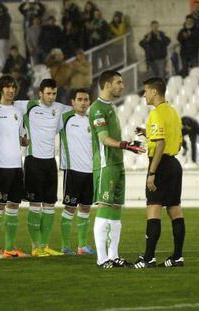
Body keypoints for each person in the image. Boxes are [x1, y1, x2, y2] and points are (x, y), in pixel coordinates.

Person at [88, 70, 145, 269]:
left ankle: (113, 256)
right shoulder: (96, 109)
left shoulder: (110, 107)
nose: (122, 86)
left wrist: (128, 144)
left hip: (117, 164)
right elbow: (103, 139)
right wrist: (126, 145)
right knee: (104, 208)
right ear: (107, 84)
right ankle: (102, 259)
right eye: (118, 82)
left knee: (115, 209)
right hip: (106, 165)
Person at [131, 77, 184, 269]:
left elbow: (160, 143)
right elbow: (175, 141)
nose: (144, 94)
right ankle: (177, 257)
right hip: (174, 164)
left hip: (159, 165)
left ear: (154, 92)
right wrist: (147, 133)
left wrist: (152, 172)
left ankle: (148, 258)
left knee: (153, 208)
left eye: (146, 91)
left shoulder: (156, 114)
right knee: (175, 209)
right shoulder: (173, 112)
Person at [14, 79, 71, 257]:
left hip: (50, 162)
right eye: (48, 93)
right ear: (40, 93)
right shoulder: (27, 106)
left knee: (49, 204)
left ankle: (45, 245)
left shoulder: (60, 108)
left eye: (54, 93)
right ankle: (35, 246)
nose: (51, 97)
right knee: (35, 205)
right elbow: (4, 106)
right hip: (32, 160)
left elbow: (80, 108)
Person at [0, 75, 29, 259]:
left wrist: (24, 139)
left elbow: (22, 137)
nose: (10, 90)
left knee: (14, 205)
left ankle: (9, 248)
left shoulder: (18, 112)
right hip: (0, 165)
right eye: (6, 87)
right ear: (0, 89)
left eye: (13, 87)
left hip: (16, 165)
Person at [59, 88, 95, 255]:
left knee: (86, 207)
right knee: (69, 208)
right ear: (72, 102)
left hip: (90, 171)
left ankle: (82, 246)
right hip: (72, 170)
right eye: (79, 99)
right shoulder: (64, 118)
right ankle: (66, 246)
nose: (83, 102)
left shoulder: (92, 121)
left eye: (86, 99)